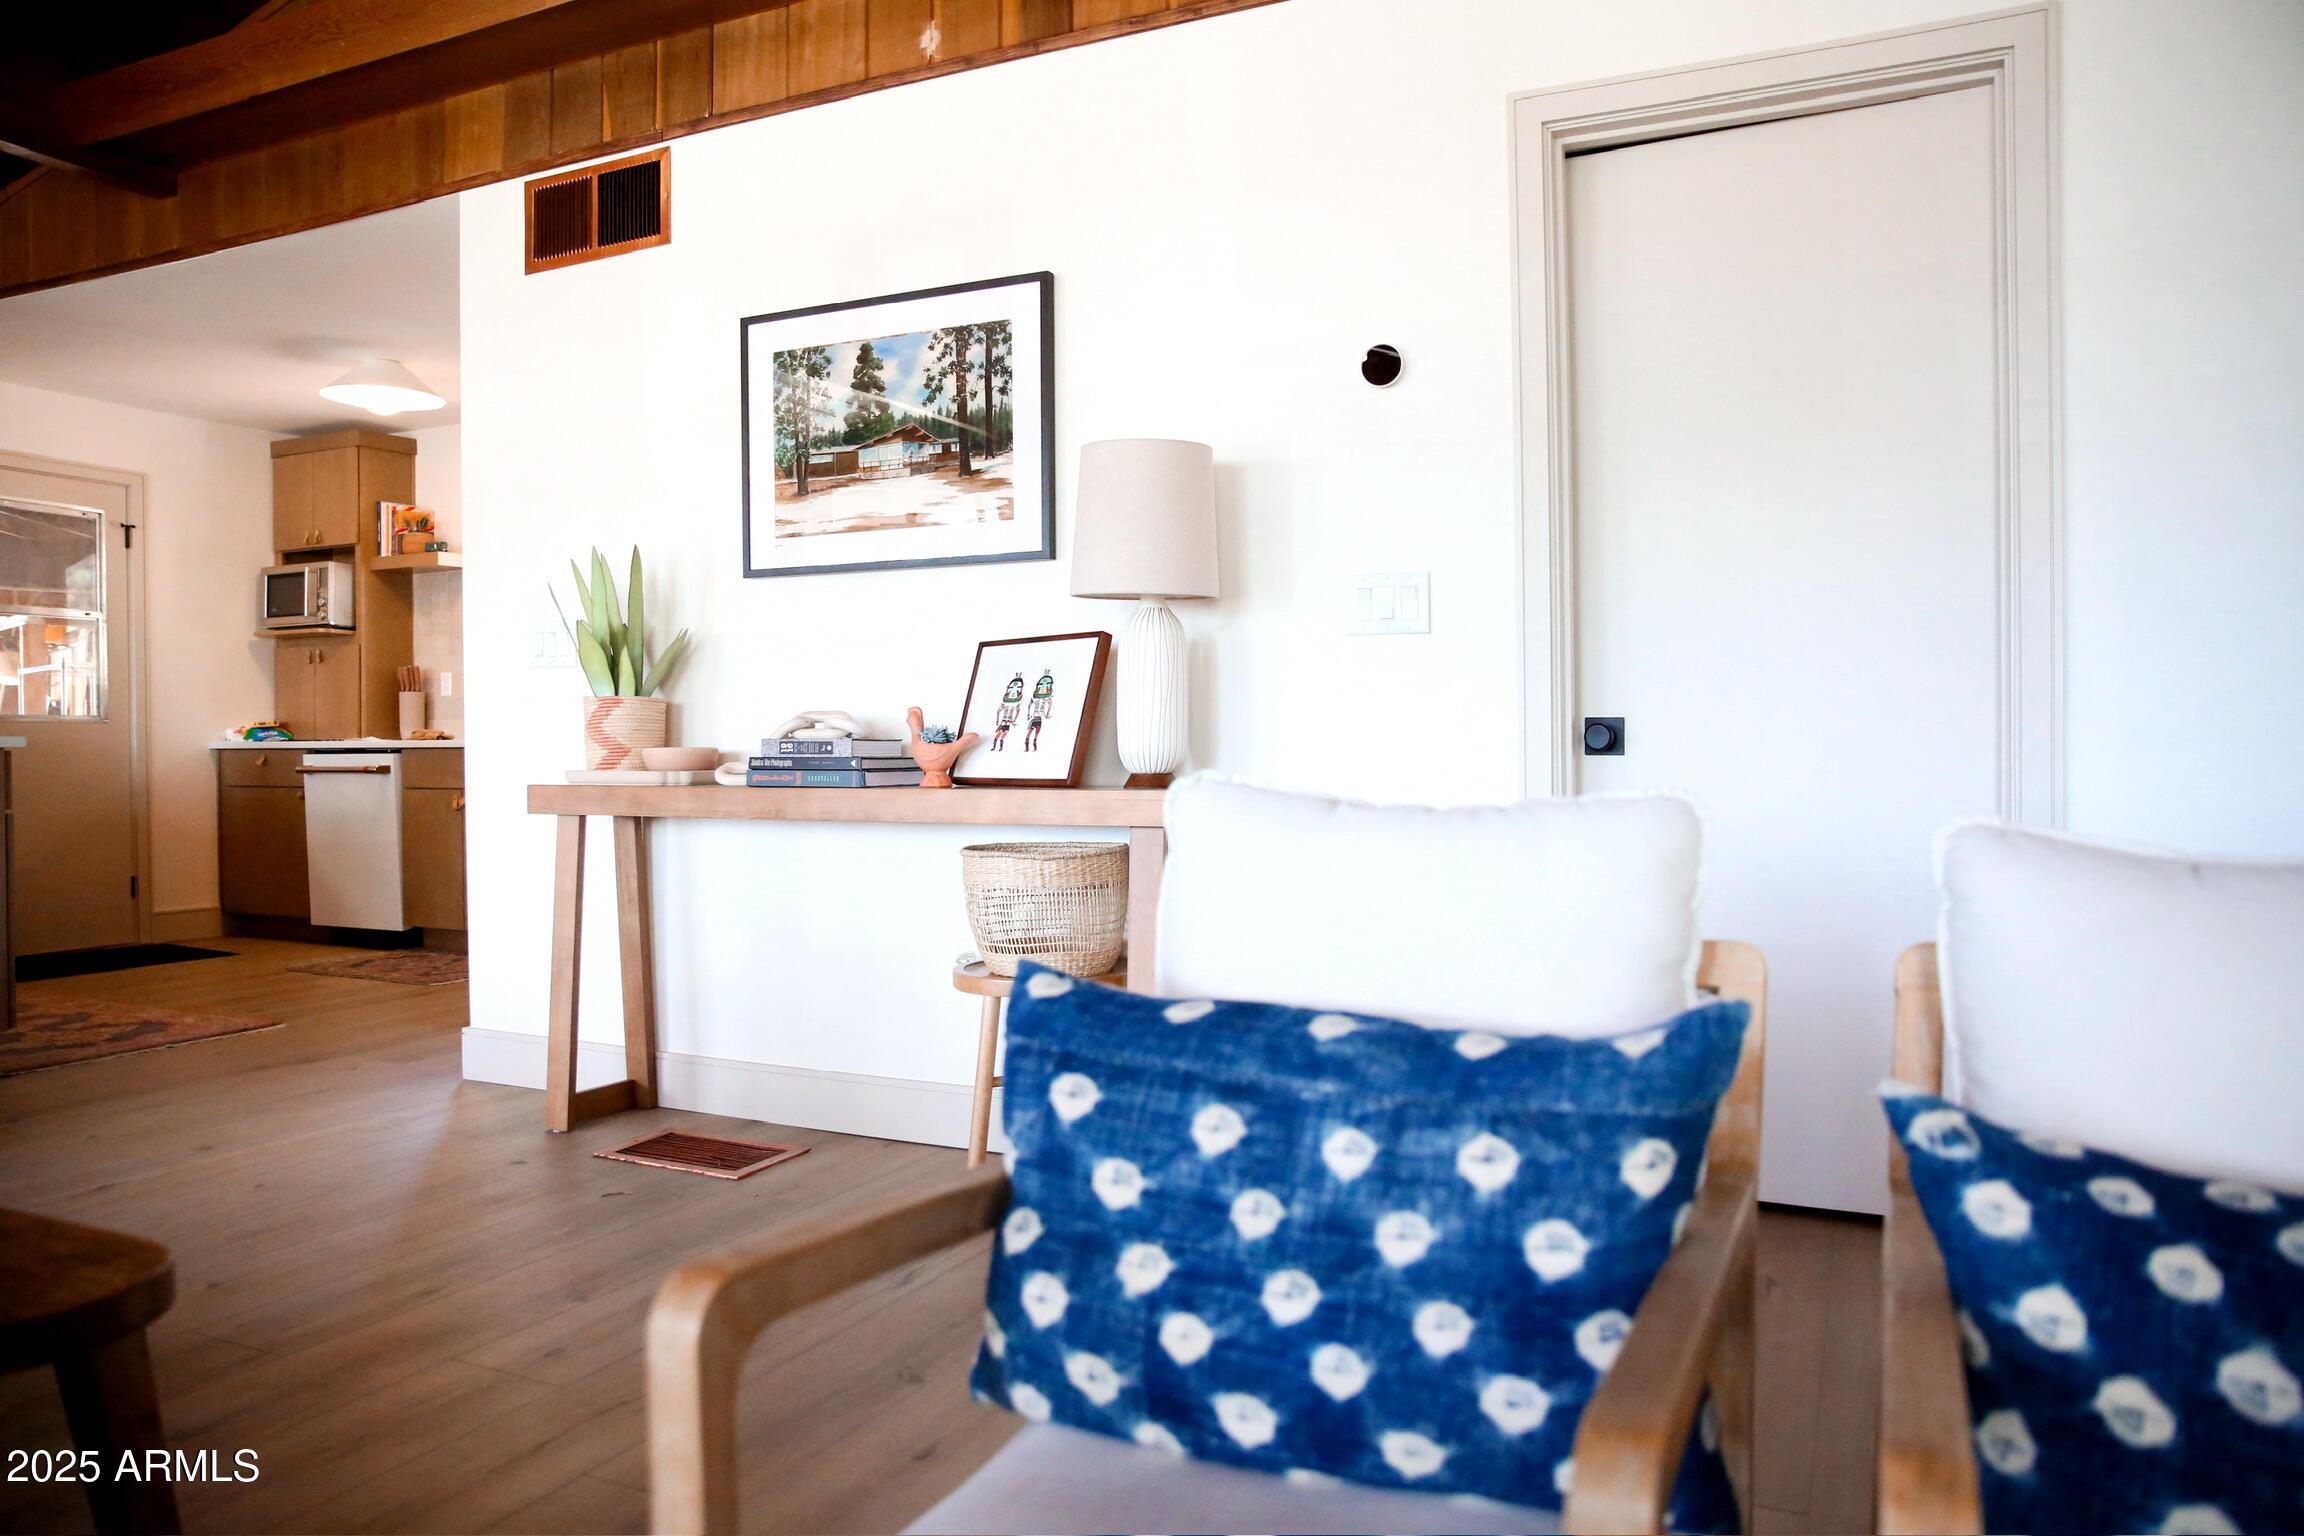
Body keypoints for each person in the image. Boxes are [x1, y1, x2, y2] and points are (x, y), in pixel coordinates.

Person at [1023, 668, 1055, 751]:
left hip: (1039, 719)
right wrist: (1029, 714)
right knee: (1029, 733)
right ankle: (1027, 745)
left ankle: (1034, 745)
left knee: (1036, 734)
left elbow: (1049, 704)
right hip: (1034, 718)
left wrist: (1047, 713)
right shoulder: (1036, 698)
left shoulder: (1045, 699)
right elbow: (1030, 705)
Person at [990, 672, 1024, 750]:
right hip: (1004, 722)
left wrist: (1014, 720)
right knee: (997, 737)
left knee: (1002, 738)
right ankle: (994, 747)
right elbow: (998, 711)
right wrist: (997, 720)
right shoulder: (1006, 705)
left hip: (1007, 723)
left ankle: (1000, 748)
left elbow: (1017, 712)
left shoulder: (1014, 705)